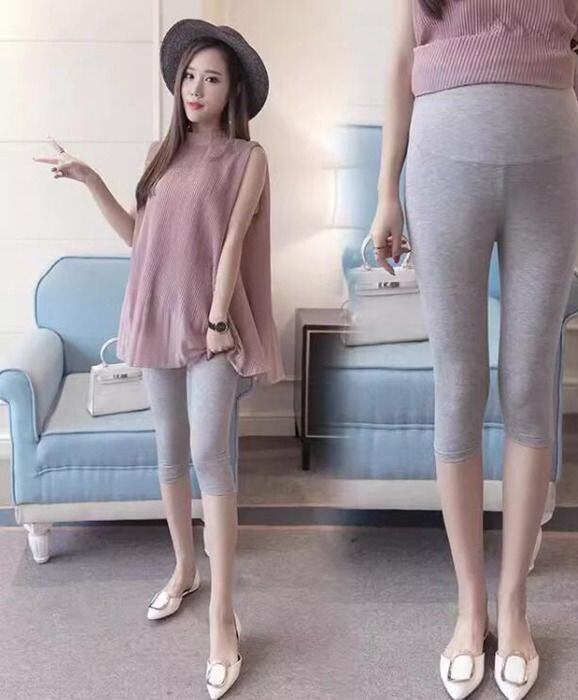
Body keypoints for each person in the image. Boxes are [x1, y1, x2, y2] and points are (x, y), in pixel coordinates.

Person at [368, 1, 578, 698]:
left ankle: (514, 606)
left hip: (549, 158)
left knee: (527, 385)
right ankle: (470, 606)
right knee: (459, 386)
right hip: (441, 161)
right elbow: (398, 62)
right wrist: (384, 193)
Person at [33, 18, 284, 699]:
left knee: (209, 456)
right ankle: (184, 570)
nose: (195, 88)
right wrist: (91, 180)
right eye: (189, 76)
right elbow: (139, 239)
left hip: (213, 327)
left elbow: (231, 246)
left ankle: (224, 617)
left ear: (231, 91)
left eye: (212, 78)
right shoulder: (159, 153)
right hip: (155, 318)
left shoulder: (248, 159)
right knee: (169, 453)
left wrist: (217, 318)